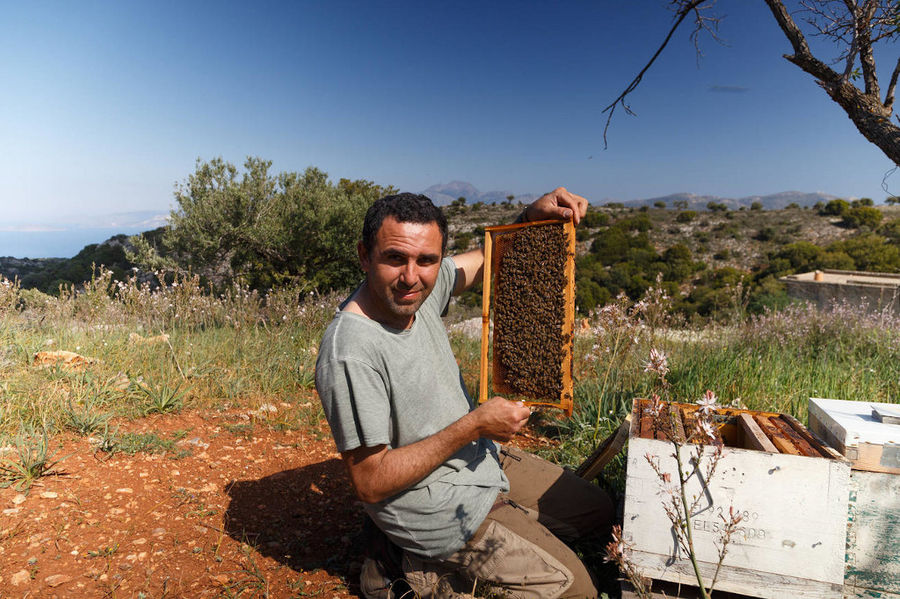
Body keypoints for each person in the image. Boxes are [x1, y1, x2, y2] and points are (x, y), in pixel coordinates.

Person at [315, 189, 613, 599]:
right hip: (430, 500)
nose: (411, 276)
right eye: (394, 258)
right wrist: (474, 425)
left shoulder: (417, 293)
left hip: (478, 459)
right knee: (578, 592)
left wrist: (529, 216)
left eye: (427, 260)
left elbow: (482, 261)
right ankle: (406, 567)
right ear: (365, 256)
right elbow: (370, 482)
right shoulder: (351, 351)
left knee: (602, 515)